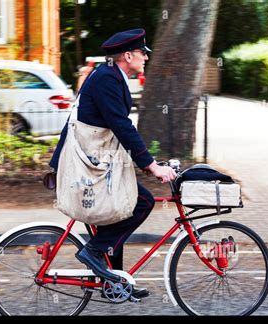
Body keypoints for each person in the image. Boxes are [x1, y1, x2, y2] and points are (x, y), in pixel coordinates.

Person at [49, 28, 177, 298]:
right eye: (143, 53)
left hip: (94, 162)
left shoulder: (108, 75)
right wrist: (152, 166)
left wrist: (147, 162)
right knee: (139, 202)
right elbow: (121, 125)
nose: (146, 58)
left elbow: (118, 125)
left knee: (115, 214)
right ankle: (94, 251)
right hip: (88, 165)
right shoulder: (108, 79)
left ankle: (114, 283)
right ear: (128, 55)